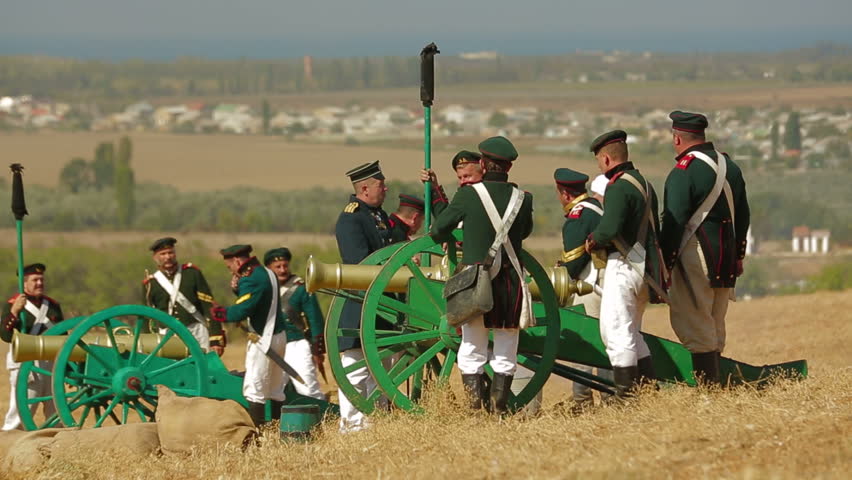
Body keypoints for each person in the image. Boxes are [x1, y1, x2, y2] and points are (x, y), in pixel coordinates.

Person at [431, 136, 534, 414]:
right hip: (510, 282)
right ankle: (499, 409)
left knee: (472, 346)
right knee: (506, 347)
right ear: (508, 167)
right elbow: (524, 233)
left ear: (484, 164)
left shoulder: (468, 194)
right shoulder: (524, 199)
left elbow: (438, 230)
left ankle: (475, 411)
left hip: (477, 281)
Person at [660, 111, 750, 385]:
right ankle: (717, 380)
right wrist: (739, 254)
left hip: (695, 255)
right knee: (715, 321)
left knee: (696, 323)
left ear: (677, 138)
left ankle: (709, 388)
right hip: (725, 256)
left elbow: (673, 222)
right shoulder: (729, 167)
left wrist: (665, 261)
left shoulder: (683, 171)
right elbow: (743, 214)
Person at [584, 130, 666, 398]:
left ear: (606, 159)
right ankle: (649, 388)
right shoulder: (642, 182)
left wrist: (592, 240)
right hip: (644, 266)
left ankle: (626, 397)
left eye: (599, 161)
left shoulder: (618, 187)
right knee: (630, 331)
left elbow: (608, 230)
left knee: (616, 331)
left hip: (624, 265)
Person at [334, 161, 395, 432]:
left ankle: (376, 421)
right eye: (382, 185)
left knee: (381, 370)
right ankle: (352, 426)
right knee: (356, 370)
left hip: (383, 305)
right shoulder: (351, 217)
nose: (386, 188)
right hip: (361, 304)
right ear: (365, 188)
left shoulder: (378, 215)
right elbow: (358, 262)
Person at [554, 168, 613, 407]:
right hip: (603, 278)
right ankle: (608, 396)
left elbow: (574, 262)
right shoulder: (594, 207)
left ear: (565, 194)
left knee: (585, 341)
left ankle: (583, 398)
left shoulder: (578, 215)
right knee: (604, 340)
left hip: (590, 282)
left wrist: (559, 276)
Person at [214, 244, 288, 427]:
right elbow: (259, 299)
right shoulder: (266, 273)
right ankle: (276, 428)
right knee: (275, 388)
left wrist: (219, 313)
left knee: (255, 387)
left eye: (229, 266)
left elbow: (243, 309)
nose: (230, 270)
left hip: (264, 339)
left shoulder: (251, 279)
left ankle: (260, 432)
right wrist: (237, 289)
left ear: (238, 261)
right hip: (279, 336)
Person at [1, 263, 63, 430]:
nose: (39, 283)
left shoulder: (53, 306)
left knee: (56, 411)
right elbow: (5, 336)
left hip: (50, 363)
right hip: (26, 361)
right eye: (35, 280)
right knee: (21, 412)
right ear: (24, 282)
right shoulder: (13, 304)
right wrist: (14, 312)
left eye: (41, 280)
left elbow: (62, 336)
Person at [143, 237, 225, 355]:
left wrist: (215, 338)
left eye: (170, 252)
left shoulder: (191, 273)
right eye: (163, 254)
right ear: (155, 257)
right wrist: (147, 342)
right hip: (167, 334)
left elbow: (209, 306)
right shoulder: (150, 283)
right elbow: (147, 317)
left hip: (195, 330)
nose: (168, 257)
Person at [264, 247, 327, 400]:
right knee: (274, 389)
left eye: (285, 265)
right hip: (272, 344)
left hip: (297, 344)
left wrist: (317, 349)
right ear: (269, 268)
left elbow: (315, 319)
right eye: (277, 267)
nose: (282, 270)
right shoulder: (264, 288)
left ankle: (320, 416)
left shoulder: (300, 288)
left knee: (307, 388)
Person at [420, 150, 484, 217]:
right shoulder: (462, 198)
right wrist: (434, 186)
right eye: (460, 178)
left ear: (482, 173)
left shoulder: (489, 196)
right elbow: (445, 219)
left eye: (467, 176)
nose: (462, 181)